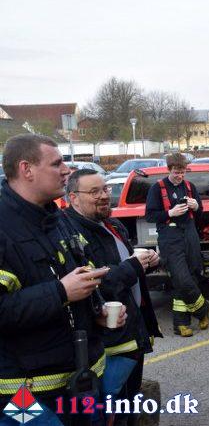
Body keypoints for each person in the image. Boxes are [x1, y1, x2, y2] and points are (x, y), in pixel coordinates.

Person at [0, 134, 124, 425]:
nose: (67, 171)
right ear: (26, 169)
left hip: (82, 382)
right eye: (56, 164)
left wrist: (97, 310)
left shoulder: (56, 219)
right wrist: (60, 292)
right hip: (21, 396)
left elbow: (76, 278)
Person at [65, 168, 162, 425]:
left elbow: (124, 263)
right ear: (73, 198)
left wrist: (147, 261)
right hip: (110, 346)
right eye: (94, 191)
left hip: (132, 336)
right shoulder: (71, 233)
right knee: (111, 413)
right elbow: (93, 283)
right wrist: (133, 266)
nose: (104, 196)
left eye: (105, 189)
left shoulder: (112, 224)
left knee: (128, 408)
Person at [145, 153, 209, 337]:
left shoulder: (190, 187)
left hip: (190, 233)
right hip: (170, 236)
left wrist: (197, 207)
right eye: (176, 172)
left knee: (193, 274)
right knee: (181, 277)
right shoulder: (157, 188)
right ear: (169, 169)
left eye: (182, 172)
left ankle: (181, 324)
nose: (180, 176)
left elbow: (200, 214)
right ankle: (202, 309)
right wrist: (170, 213)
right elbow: (150, 215)